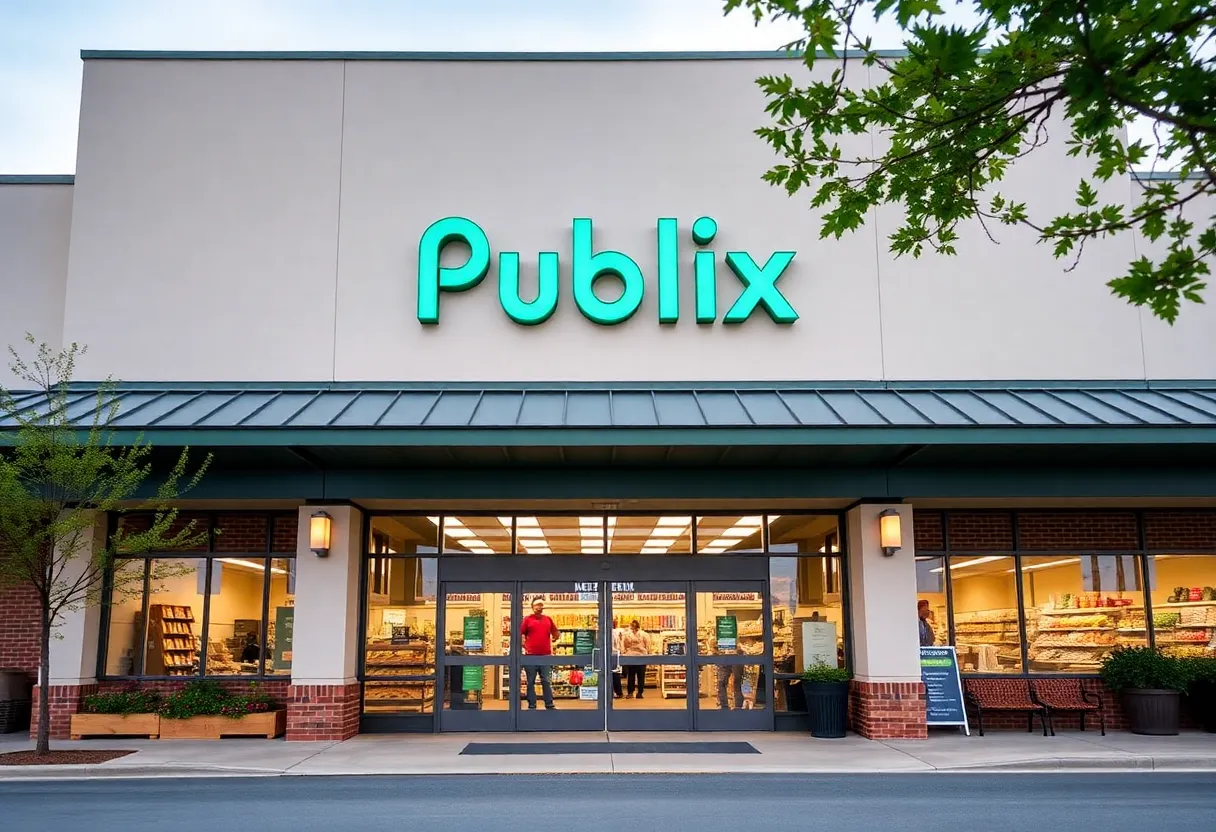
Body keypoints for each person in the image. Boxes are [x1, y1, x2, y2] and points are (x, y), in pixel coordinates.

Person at [520, 597, 560, 709]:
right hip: (530, 656)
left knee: (546, 680)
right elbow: (520, 633)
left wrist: (556, 637)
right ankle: (532, 704)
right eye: (537, 605)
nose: (539, 607)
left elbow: (555, 633)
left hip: (545, 656)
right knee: (530, 681)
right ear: (532, 607)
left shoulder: (548, 619)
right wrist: (523, 644)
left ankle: (549, 704)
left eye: (541, 605)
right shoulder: (527, 620)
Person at [620, 620, 650, 698]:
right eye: (632, 626)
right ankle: (630, 692)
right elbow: (625, 645)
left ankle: (640, 692)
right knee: (631, 675)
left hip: (641, 657)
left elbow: (648, 645)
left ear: (637, 626)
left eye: (634, 626)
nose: (633, 628)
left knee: (641, 676)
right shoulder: (627, 635)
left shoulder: (644, 634)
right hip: (631, 657)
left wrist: (647, 654)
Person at [611, 617, 625, 699]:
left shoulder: (611, 633)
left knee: (613, 674)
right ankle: (618, 692)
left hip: (612, 654)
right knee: (615, 674)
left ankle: (616, 692)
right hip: (616, 655)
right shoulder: (617, 632)